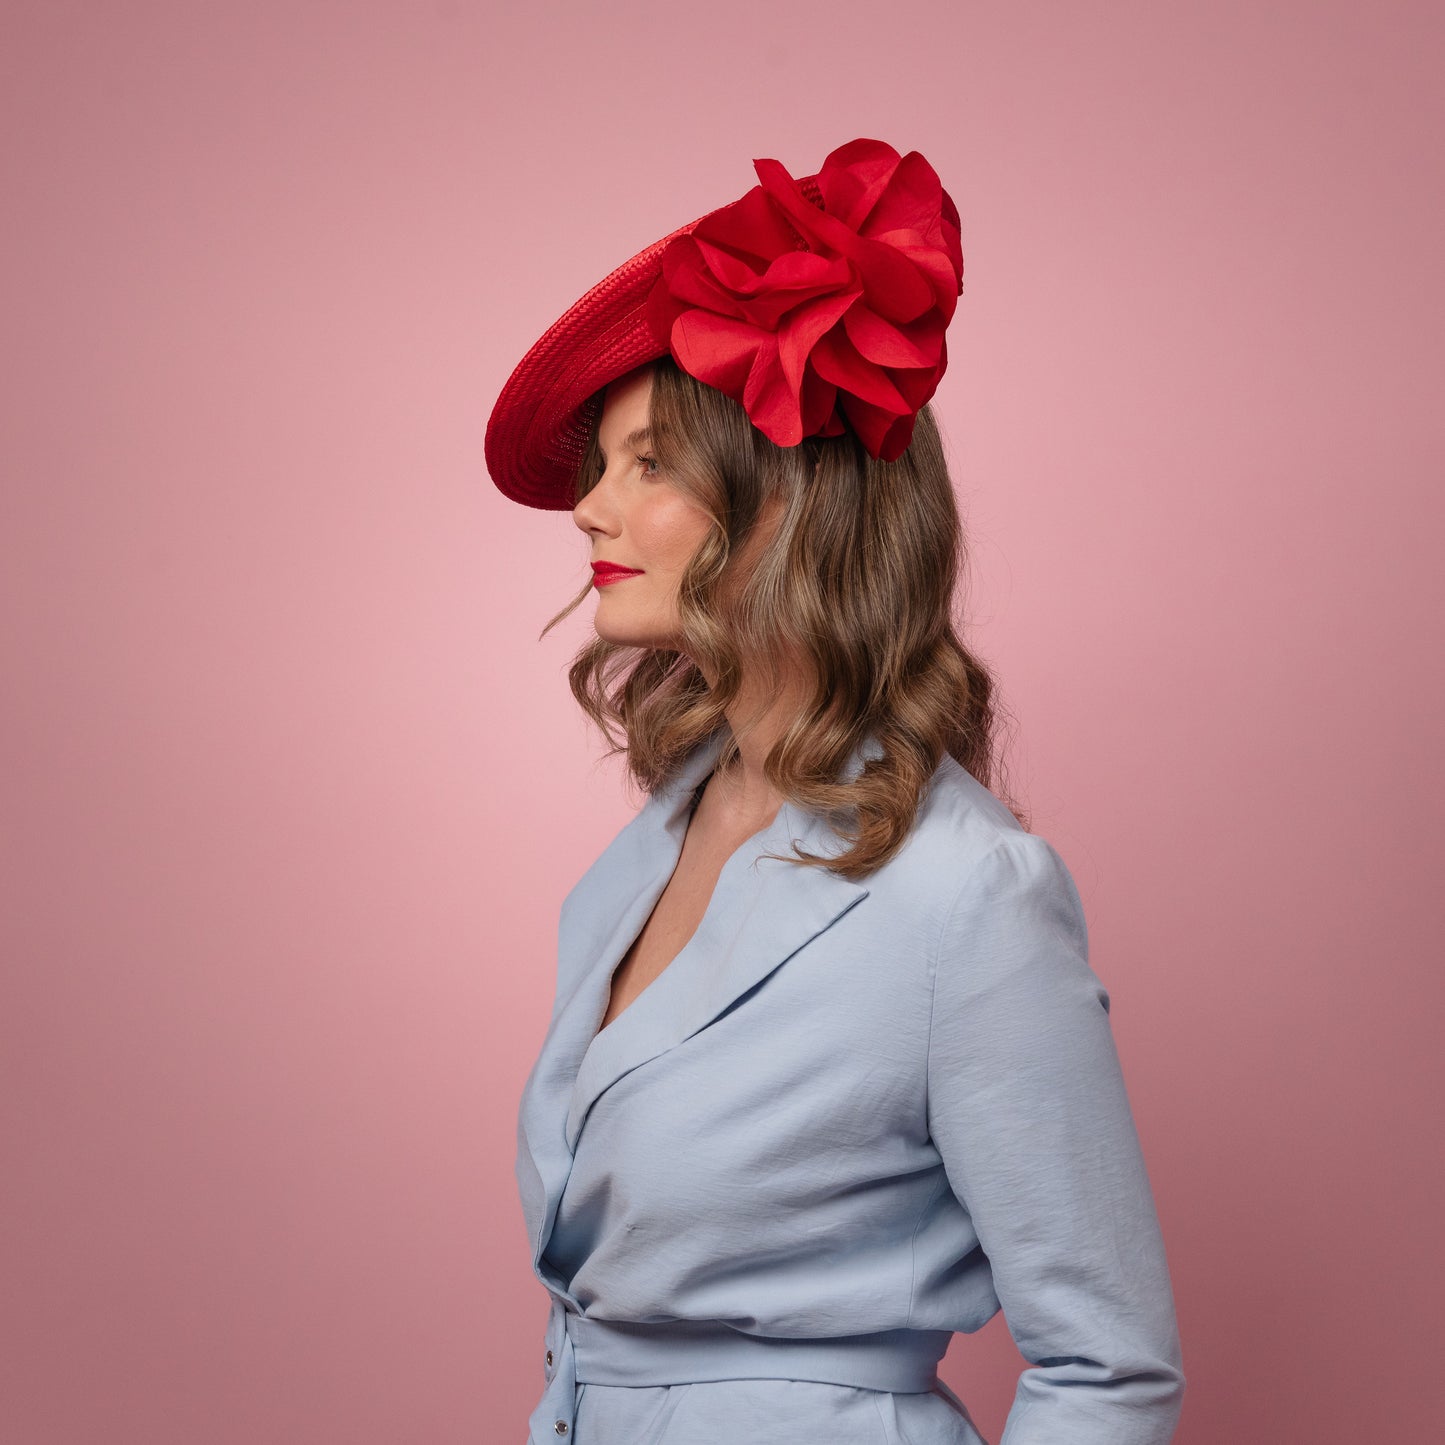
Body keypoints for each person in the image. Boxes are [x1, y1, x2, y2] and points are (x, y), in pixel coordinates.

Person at [485, 137, 1185, 1445]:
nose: (587, 508)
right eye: (599, 463)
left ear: (788, 505)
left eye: (646, 463)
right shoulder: (652, 842)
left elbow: (1107, 1367)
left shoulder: (968, 896)